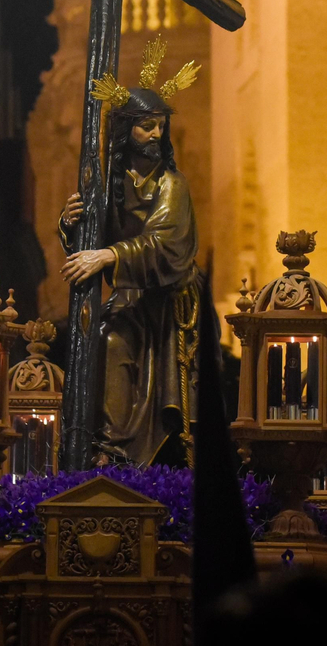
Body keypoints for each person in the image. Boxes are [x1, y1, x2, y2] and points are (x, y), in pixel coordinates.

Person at [59, 36, 202, 465]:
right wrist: (72, 224)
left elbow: (166, 242)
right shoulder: (110, 186)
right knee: (105, 342)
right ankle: (109, 449)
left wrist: (108, 256)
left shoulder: (171, 185)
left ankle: (129, 456)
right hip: (129, 298)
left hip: (167, 305)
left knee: (120, 346)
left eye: (160, 124)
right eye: (146, 125)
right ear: (125, 129)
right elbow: (90, 242)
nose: (156, 133)